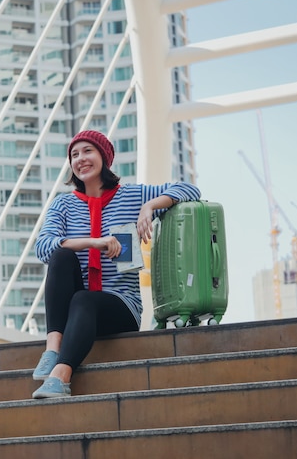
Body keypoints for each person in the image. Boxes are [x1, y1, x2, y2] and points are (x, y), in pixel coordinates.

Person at [31, 130, 201, 399]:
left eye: (88, 151)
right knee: (61, 257)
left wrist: (149, 207)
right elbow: (42, 247)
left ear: (104, 157)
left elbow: (189, 189)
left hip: (121, 307)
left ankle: (61, 376)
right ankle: (53, 350)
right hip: (75, 309)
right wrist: (94, 242)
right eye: (74, 155)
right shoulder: (62, 204)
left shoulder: (132, 196)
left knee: (84, 299)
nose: (80, 159)